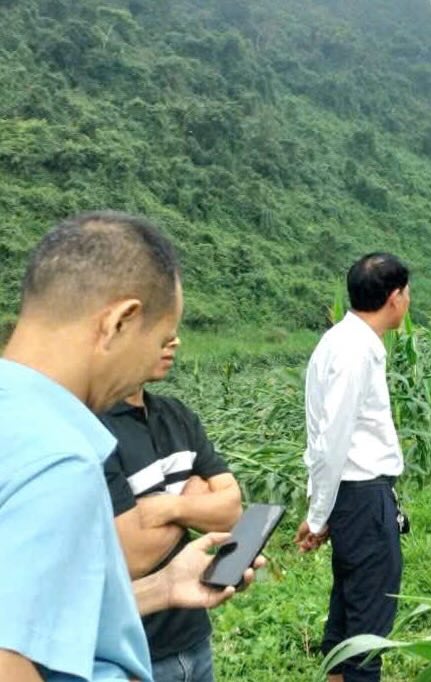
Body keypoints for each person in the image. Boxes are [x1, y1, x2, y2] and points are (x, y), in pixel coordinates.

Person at [0, 212, 259, 682]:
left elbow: (41, 619)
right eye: (160, 339)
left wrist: (163, 586)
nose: (155, 363)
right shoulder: (59, 458)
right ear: (120, 322)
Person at [294, 253, 411, 682]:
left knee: (348, 610)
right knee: (367, 629)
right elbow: (332, 440)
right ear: (395, 297)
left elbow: (322, 437)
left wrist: (321, 508)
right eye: (407, 292)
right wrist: (319, 515)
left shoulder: (340, 341)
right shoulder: (355, 350)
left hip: (351, 496)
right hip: (362, 497)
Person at [100, 334, 243, 682]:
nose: (175, 342)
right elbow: (131, 554)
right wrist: (192, 496)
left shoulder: (177, 415)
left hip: (194, 634)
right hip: (133, 653)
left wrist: (166, 507)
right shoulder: (96, 429)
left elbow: (232, 508)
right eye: (160, 333)